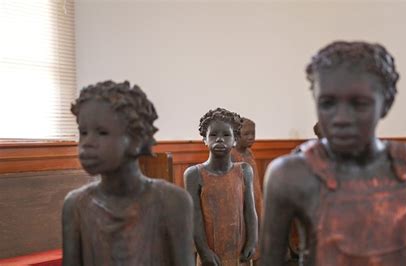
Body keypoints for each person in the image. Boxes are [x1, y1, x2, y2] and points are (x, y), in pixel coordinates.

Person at [261, 41, 406, 266]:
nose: (341, 118)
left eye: (359, 104)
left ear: (386, 103)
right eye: (328, 103)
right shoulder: (290, 175)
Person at [62, 80, 194, 266]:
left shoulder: (172, 201)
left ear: (136, 140)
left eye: (102, 133)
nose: (87, 143)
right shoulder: (75, 206)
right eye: (83, 132)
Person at [184, 108, 257, 266]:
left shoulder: (244, 171)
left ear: (235, 139)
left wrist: (252, 242)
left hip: (240, 252)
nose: (219, 140)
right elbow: (194, 218)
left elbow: (250, 211)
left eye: (226, 135)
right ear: (204, 139)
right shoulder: (194, 174)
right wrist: (204, 252)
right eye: (213, 135)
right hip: (211, 256)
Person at [231, 117, 263, 265]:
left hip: (256, 200)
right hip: (242, 203)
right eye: (247, 134)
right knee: (244, 240)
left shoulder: (249, 153)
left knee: (258, 239)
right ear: (236, 135)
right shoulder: (231, 155)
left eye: (253, 133)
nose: (251, 137)